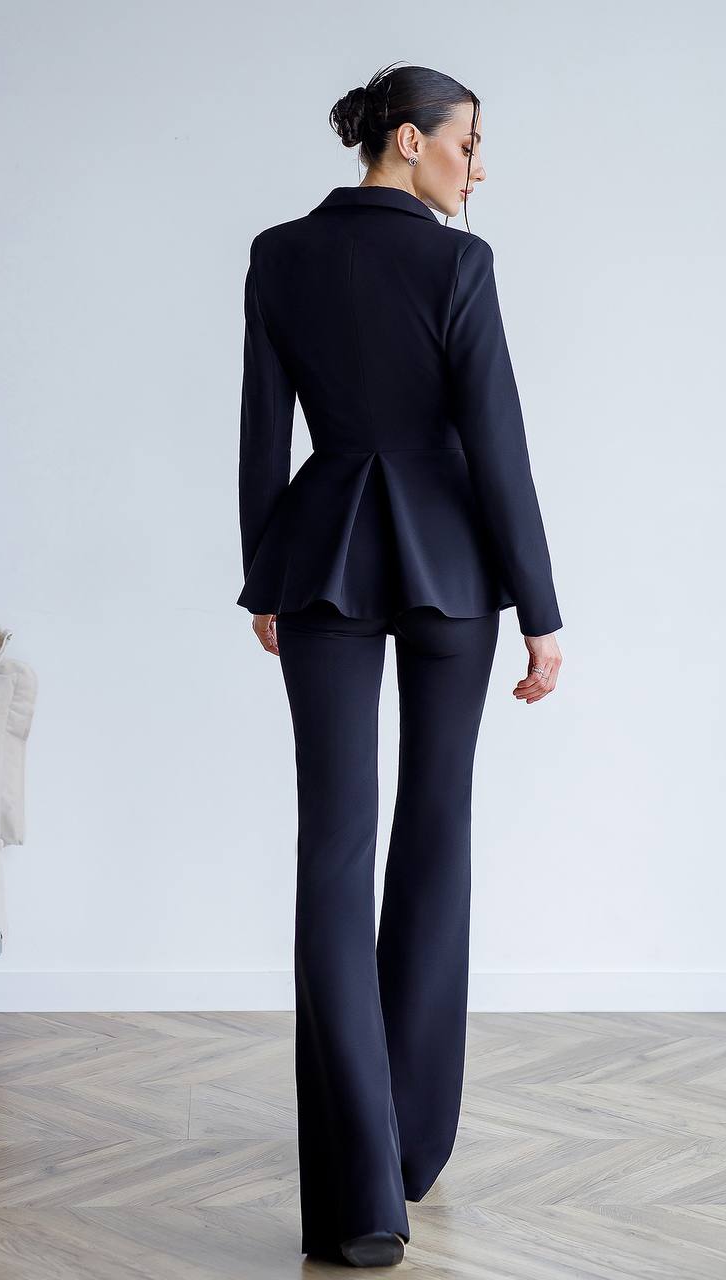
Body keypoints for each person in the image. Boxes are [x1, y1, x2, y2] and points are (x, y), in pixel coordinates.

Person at [235, 61, 564, 1268]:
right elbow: (497, 439)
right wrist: (540, 607)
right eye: (469, 144)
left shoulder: (279, 254)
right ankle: (415, 1136)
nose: (477, 169)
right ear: (411, 142)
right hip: (452, 573)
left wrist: (264, 568)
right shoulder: (456, 263)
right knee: (434, 830)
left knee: (333, 848)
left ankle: (364, 1192)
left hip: (317, 560)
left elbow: (260, 422)